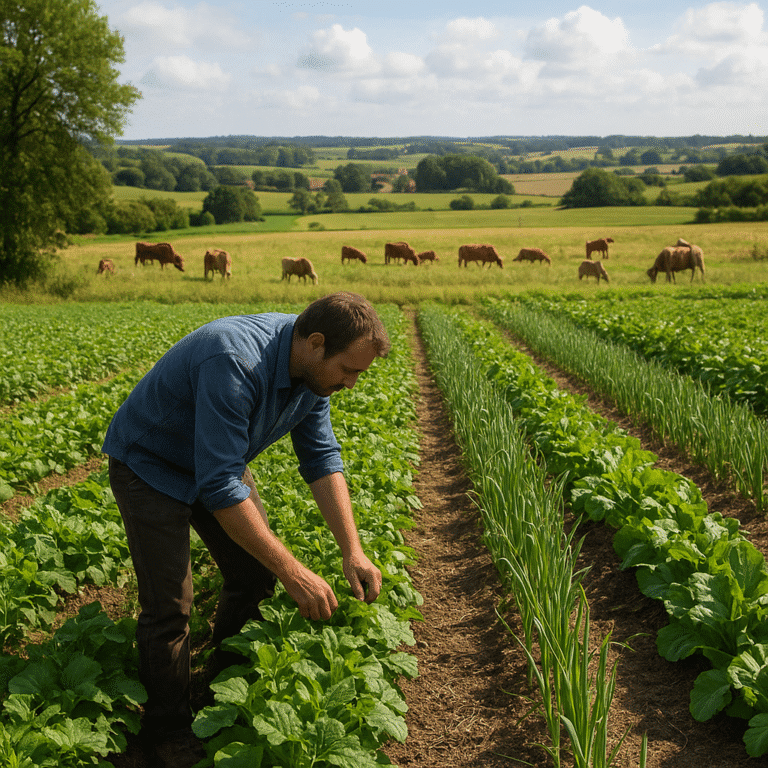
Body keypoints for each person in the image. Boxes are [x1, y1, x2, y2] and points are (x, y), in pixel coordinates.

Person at [103, 291, 390, 768]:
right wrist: (295, 573)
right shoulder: (234, 358)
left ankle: (222, 685)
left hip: (216, 462)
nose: (352, 383)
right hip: (150, 464)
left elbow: (321, 458)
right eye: (349, 370)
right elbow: (219, 485)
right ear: (315, 343)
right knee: (170, 607)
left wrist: (352, 551)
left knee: (254, 573)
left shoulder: (313, 376)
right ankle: (168, 729)